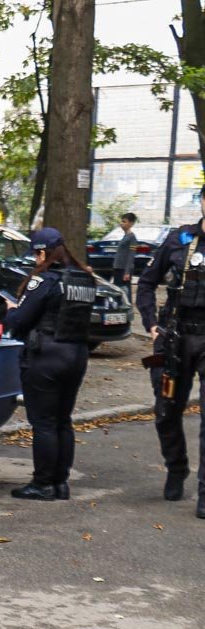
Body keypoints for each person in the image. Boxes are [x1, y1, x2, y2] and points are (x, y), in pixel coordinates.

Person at [3, 227, 94, 501]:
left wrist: (11, 311)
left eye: (36, 254)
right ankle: (60, 483)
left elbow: (19, 322)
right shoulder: (85, 279)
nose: (34, 260)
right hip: (76, 355)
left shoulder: (44, 281)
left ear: (44, 252)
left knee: (43, 422)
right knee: (63, 421)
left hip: (46, 357)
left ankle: (42, 484)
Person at [136, 185, 205, 516]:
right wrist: (151, 324)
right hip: (175, 340)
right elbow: (146, 283)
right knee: (166, 409)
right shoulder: (179, 240)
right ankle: (177, 468)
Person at [113, 212, 137, 302]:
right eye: (121, 221)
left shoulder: (132, 237)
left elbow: (131, 255)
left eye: (124, 221)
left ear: (131, 223)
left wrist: (127, 272)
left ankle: (127, 309)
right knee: (118, 290)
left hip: (124, 269)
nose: (121, 223)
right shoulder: (125, 236)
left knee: (125, 291)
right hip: (118, 268)